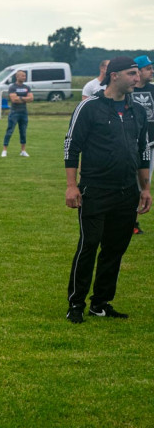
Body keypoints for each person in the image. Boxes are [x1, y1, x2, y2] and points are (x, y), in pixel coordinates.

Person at [63, 56, 150, 323]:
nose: (137, 78)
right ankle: (76, 304)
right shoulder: (89, 108)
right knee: (89, 245)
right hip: (96, 189)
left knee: (115, 248)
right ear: (115, 76)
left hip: (127, 191)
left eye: (137, 74)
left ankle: (100, 303)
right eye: (132, 73)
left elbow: (142, 151)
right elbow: (71, 146)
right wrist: (71, 186)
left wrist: (145, 188)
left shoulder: (137, 110)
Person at [131, 54, 154, 235]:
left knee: (144, 184)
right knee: (130, 183)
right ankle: (130, 221)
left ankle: (133, 221)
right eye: (148, 68)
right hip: (130, 145)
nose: (151, 71)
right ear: (138, 71)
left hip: (150, 146)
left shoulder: (153, 90)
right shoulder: (127, 91)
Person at [1, 70, 33, 157]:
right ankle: (4, 150)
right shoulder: (12, 87)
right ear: (17, 77)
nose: (24, 77)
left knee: (23, 132)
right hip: (14, 112)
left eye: (25, 76)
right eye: (22, 76)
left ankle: (23, 151)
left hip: (24, 112)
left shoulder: (27, 87)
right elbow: (14, 99)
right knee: (9, 131)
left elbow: (31, 98)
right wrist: (25, 98)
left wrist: (20, 98)